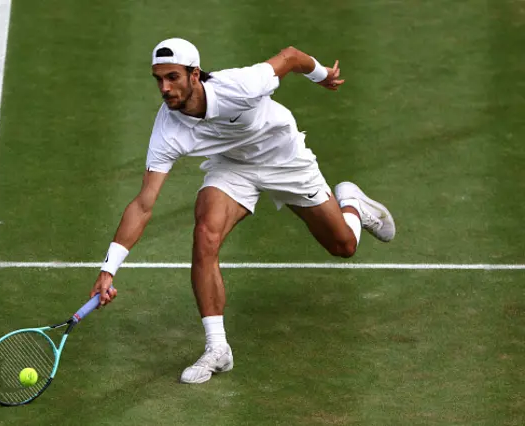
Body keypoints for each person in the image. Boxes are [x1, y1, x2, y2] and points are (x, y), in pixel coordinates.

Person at [90, 38, 395, 384]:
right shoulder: (168, 128)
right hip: (232, 167)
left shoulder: (241, 85)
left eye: (172, 77)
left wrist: (322, 75)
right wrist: (108, 269)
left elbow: (292, 57)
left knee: (344, 247)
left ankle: (351, 201)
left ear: (194, 75)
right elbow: (144, 204)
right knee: (205, 232)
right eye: (158, 79)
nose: (164, 88)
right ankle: (218, 349)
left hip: (284, 158)